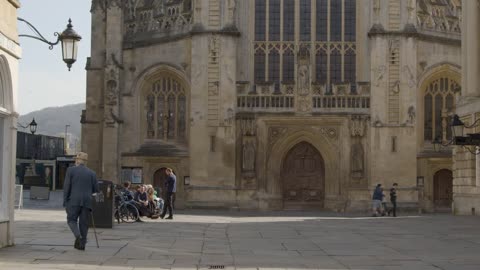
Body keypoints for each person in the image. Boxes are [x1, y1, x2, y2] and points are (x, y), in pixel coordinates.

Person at [63, 152, 99, 251]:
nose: (75, 161)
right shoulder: (92, 173)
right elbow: (96, 189)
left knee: (71, 220)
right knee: (84, 223)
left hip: (73, 200)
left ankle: (78, 236)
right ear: (85, 162)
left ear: (78, 161)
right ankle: (82, 245)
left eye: (76, 159)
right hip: (87, 201)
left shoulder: (70, 170)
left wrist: (65, 202)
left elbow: (66, 187)